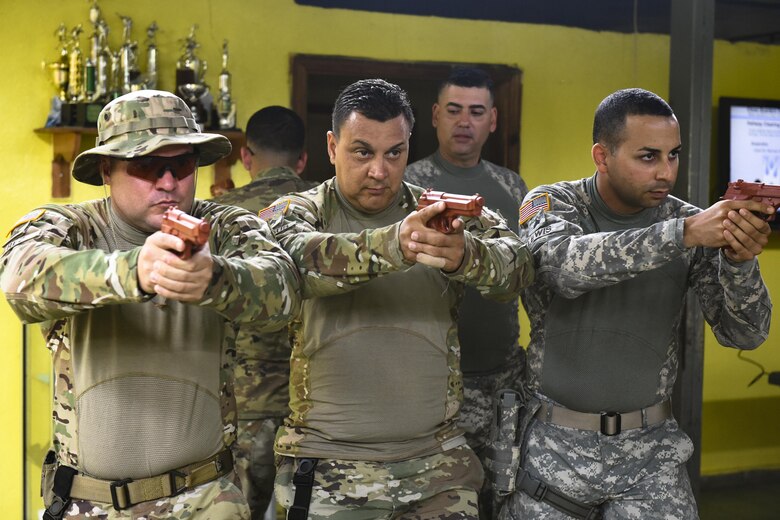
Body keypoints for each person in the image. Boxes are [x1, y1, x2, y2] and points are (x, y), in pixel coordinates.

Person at [0, 90, 301, 519]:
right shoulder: (72, 226)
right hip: (94, 502)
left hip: (207, 498)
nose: (167, 182)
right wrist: (133, 271)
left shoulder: (226, 225)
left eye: (180, 165)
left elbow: (283, 290)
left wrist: (215, 277)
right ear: (107, 168)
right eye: (145, 165)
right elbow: (18, 280)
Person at [264, 78, 535, 519]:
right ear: (332, 147)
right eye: (362, 152)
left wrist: (468, 257)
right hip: (329, 464)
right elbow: (291, 262)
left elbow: (520, 266)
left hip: (436, 467)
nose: (379, 170)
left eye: (395, 153)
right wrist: (394, 245)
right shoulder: (299, 211)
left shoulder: (440, 211)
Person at [499, 88, 773, 520]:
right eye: (648, 157)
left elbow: (745, 333)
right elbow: (563, 267)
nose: (666, 172)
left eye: (673, 155)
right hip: (556, 447)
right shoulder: (553, 203)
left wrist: (739, 261)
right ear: (602, 156)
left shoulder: (685, 221)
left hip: (651, 454)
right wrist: (681, 234)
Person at [405, 67, 529, 517]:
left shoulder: (512, 187)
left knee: (504, 494)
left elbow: (527, 270)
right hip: (431, 381)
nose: (464, 122)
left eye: (476, 112)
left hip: (501, 377)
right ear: (435, 116)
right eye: (454, 110)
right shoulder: (409, 183)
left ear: (492, 120)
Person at [211, 105, 316, 519]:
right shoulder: (321, 210)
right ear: (303, 159)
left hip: (241, 402)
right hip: (312, 404)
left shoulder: (220, 214)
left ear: (245, 157)